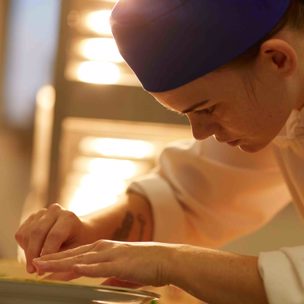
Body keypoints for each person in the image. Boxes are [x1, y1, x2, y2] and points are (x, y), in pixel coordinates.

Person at [15, 0, 304, 303]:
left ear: (278, 60)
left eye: (208, 109)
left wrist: (170, 262)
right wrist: (85, 233)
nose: (199, 133)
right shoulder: (275, 103)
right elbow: (189, 198)